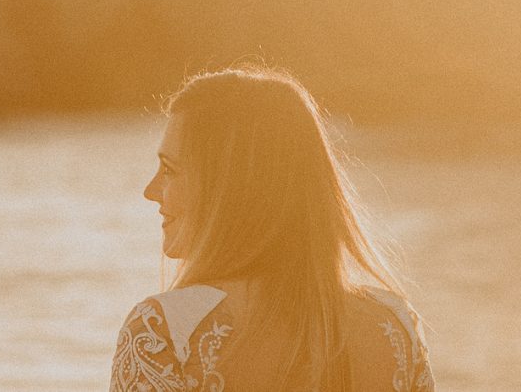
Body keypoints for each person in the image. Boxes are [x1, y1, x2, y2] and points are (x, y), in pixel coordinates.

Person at [110, 65, 433, 391]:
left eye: (169, 169)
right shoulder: (394, 329)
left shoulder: (162, 332)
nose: (150, 191)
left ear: (227, 187)